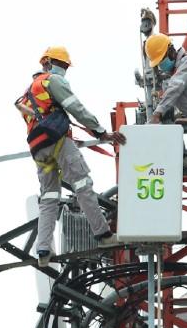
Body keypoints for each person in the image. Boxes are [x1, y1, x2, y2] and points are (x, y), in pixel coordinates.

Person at [15, 46, 125, 268]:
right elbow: (77, 108)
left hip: (38, 148)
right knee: (83, 185)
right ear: (47, 63)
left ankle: (43, 250)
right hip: (58, 141)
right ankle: (103, 235)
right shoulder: (52, 81)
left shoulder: (29, 91)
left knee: (48, 197)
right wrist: (101, 132)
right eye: (62, 65)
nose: (63, 69)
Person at [144, 33, 187, 124]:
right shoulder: (180, 67)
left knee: (170, 84)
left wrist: (158, 113)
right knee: (170, 84)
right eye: (159, 63)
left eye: (162, 60)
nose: (161, 65)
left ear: (171, 51)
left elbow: (177, 85)